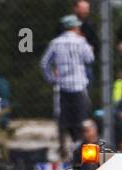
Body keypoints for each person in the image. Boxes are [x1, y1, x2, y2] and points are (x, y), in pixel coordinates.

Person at [41, 14, 93, 160]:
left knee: (64, 120)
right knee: (81, 121)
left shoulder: (56, 43)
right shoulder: (81, 41)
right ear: (75, 27)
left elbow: (44, 63)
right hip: (78, 87)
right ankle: (81, 152)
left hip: (63, 87)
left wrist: (52, 79)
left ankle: (64, 149)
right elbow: (89, 58)